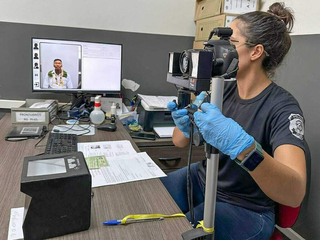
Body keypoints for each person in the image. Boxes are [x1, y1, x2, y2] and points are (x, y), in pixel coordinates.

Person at [161, 2, 307, 239]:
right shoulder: (221, 90)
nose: (219, 49)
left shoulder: (282, 107)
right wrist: (184, 125)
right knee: (148, 201)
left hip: (246, 207)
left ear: (256, 52)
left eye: (231, 42)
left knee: (175, 232)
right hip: (203, 180)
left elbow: (294, 194)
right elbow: (180, 143)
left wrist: (245, 149)